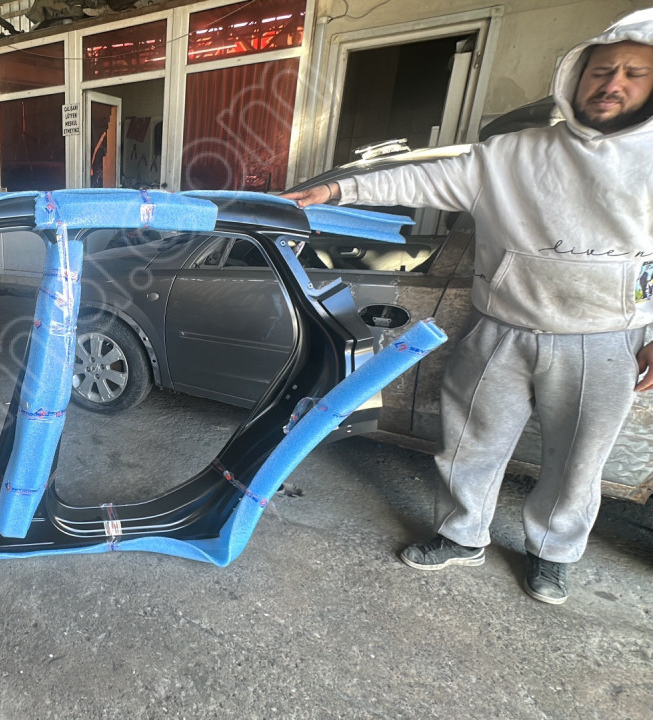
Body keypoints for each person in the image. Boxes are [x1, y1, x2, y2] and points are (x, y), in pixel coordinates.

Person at [282, 10, 653, 605]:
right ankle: (462, 535)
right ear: (576, 77)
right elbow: (419, 178)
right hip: (501, 328)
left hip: (605, 337)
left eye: (634, 73)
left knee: (578, 461)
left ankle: (553, 554)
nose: (613, 84)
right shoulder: (510, 155)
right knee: (469, 443)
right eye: (602, 70)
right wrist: (336, 189)